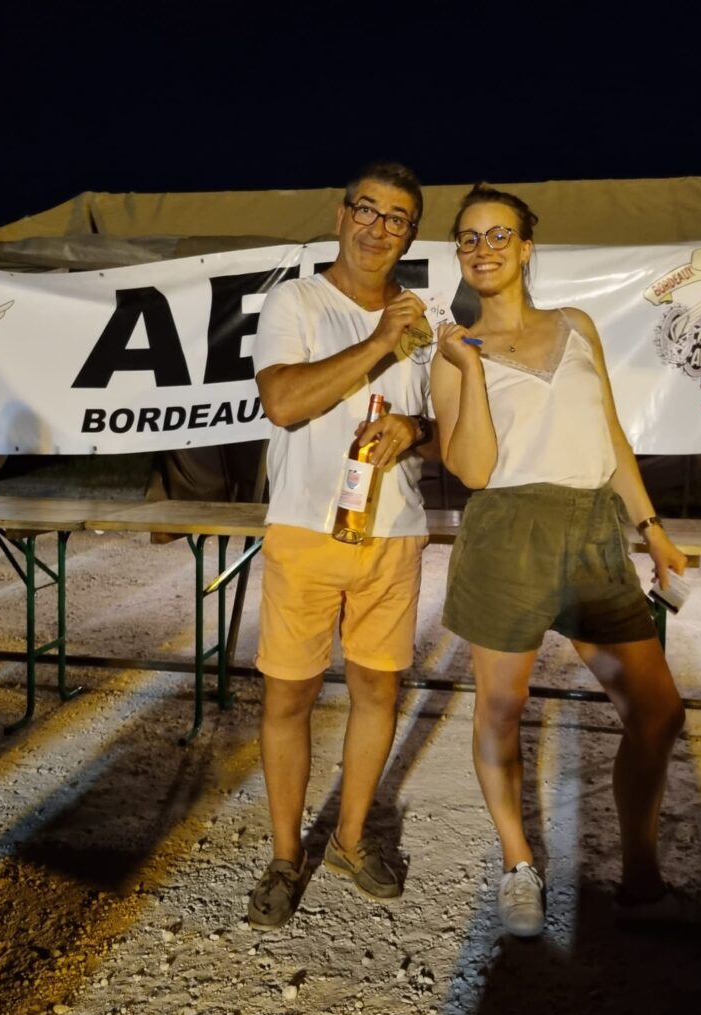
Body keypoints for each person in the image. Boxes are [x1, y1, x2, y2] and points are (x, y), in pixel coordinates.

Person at [431, 184, 688, 938]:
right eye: (470, 238)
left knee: (657, 712)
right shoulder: (453, 351)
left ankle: (639, 875)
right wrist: (471, 370)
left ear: (528, 247)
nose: (484, 248)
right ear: (460, 254)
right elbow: (474, 471)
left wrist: (652, 526)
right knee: (502, 713)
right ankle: (518, 862)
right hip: (508, 532)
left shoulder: (577, 326)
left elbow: (609, 434)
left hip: (593, 534)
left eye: (499, 235)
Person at [248, 162, 436, 930]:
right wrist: (379, 340)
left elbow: (440, 422)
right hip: (303, 527)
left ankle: (354, 836)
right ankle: (287, 856)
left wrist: (413, 430)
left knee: (379, 692)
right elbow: (284, 400)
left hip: (392, 533)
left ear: (409, 235)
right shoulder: (295, 301)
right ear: (341, 215)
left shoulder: (423, 322)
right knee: (288, 696)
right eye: (368, 210)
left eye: (397, 219)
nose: (378, 227)